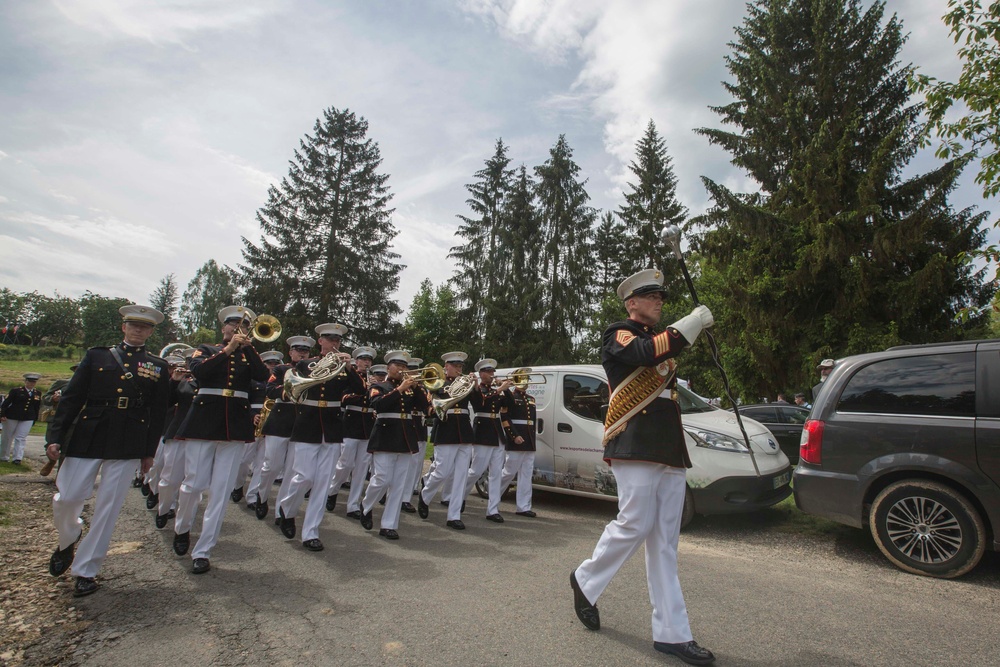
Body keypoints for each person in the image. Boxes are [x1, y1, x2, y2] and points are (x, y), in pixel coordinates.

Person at [571, 269, 716, 665]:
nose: (658, 302)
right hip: (634, 443)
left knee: (665, 544)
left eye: (661, 297)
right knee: (634, 521)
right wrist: (691, 324)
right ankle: (585, 578)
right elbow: (643, 355)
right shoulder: (619, 334)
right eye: (651, 296)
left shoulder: (661, 343)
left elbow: (663, 364)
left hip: (668, 447)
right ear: (631, 302)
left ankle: (672, 633)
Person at [45, 305, 170, 597]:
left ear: (151, 332)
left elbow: (158, 411)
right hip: (91, 432)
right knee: (68, 497)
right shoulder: (97, 355)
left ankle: (86, 569)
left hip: (129, 438)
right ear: (123, 328)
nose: (138, 330)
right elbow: (72, 398)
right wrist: (55, 436)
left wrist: (148, 451)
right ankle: (68, 538)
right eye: (133, 325)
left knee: (108, 509)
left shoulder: (157, 366)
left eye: (144, 327)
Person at [171, 306, 271, 574]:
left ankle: (203, 550)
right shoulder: (205, 349)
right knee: (193, 484)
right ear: (223, 328)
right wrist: (227, 351)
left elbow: (264, 378)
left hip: (235, 425)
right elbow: (200, 372)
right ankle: (182, 527)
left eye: (244, 324)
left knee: (221, 490)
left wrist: (248, 348)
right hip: (203, 420)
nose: (238, 328)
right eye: (233, 324)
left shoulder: (249, 355)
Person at [277, 323, 358, 551]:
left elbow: (360, 390)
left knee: (322, 483)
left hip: (332, 427)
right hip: (307, 423)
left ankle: (311, 532)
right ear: (320, 341)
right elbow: (291, 388)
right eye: (330, 339)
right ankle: (288, 509)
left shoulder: (344, 368)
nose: (334, 343)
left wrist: (349, 367)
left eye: (338, 340)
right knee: (303, 477)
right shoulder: (305, 364)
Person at [358, 350, 429, 539]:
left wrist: (418, 387)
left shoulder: (411, 389)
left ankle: (389, 524)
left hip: (406, 437)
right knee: (381, 479)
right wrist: (399, 390)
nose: (402, 369)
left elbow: (426, 408)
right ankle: (366, 505)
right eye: (398, 366)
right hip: (385, 436)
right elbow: (378, 405)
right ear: (388, 367)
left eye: (404, 366)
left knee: (398, 484)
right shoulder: (381, 386)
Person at [254, 336, 313, 521]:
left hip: (301, 422)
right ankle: (262, 496)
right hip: (280, 421)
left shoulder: (312, 371)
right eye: (298, 349)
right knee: (271, 466)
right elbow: (270, 390)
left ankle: (282, 510)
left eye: (306, 350)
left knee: (292, 471)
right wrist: (290, 390)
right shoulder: (281, 369)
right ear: (291, 352)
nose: (302, 352)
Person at [417, 351, 475, 530]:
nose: (458, 369)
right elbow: (429, 408)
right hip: (446, 429)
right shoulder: (436, 384)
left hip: (464, 431)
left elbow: (480, 404)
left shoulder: (467, 384)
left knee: (461, 475)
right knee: (442, 471)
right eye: (455, 366)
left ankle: (454, 515)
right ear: (446, 367)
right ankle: (425, 495)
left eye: (461, 367)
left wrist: (476, 386)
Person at [326, 346, 376, 513]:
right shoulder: (349, 376)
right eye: (363, 359)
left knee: (362, 469)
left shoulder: (376, 380)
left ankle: (353, 505)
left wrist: (376, 390)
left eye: (369, 360)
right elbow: (343, 398)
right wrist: (365, 393)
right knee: (345, 464)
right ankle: (332, 491)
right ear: (356, 361)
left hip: (367, 425)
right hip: (350, 423)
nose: (366, 362)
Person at [232, 350, 283, 504]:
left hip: (271, 421)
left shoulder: (279, 381)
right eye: (269, 364)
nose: (272, 367)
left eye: (275, 364)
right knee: (243, 460)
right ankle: (237, 485)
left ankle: (253, 496)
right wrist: (251, 415)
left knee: (262, 462)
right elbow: (242, 399)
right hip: (253, 420)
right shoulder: (253, 380)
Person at [464, 359, 511, 522]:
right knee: (476, 471)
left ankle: (493, 509)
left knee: (496, 473)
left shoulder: (496, 389)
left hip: (497, 432)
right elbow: (481, 403)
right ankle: (459, 496)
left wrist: (507, 389)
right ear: (481, 374)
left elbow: (509, 405)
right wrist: (499, 390)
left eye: (493, 372)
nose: (492, 375)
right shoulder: (477, 388)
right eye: (488, 372)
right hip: (483, 431)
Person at [498, 370, 537, 518]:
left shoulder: (531, 399)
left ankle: (524, 506)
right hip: (517, 439)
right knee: (509, 472)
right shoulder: (510, 397)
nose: (525, 381)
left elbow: (531, 422)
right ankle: (494, 496)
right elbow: (505, 418)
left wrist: (531, 439)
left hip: (529, 440)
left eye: (526, 378)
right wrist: (514, 436)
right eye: (521, 378)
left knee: (526, 474)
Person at [39, 363, 81, 476]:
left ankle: (61, 476)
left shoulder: (90, 386)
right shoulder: (62, 383)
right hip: (57, 419)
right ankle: (52, 461)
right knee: (51, 444)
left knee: (68, 450)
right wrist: (53, 399)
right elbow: (45, 399)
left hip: (75, 421)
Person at [1, 372, 42, 465]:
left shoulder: (37, 393)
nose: (31, 384)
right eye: (29, 382)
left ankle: (17, 458)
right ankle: (4, 456)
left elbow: (37, 407)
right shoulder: (16, 391)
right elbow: (6, 403)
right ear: (25, 381)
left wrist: (35, 418)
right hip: (12, 416)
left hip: (28, 417)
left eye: (33, 382)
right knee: (7, 437)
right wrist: (2, 414)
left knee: (21, 437)